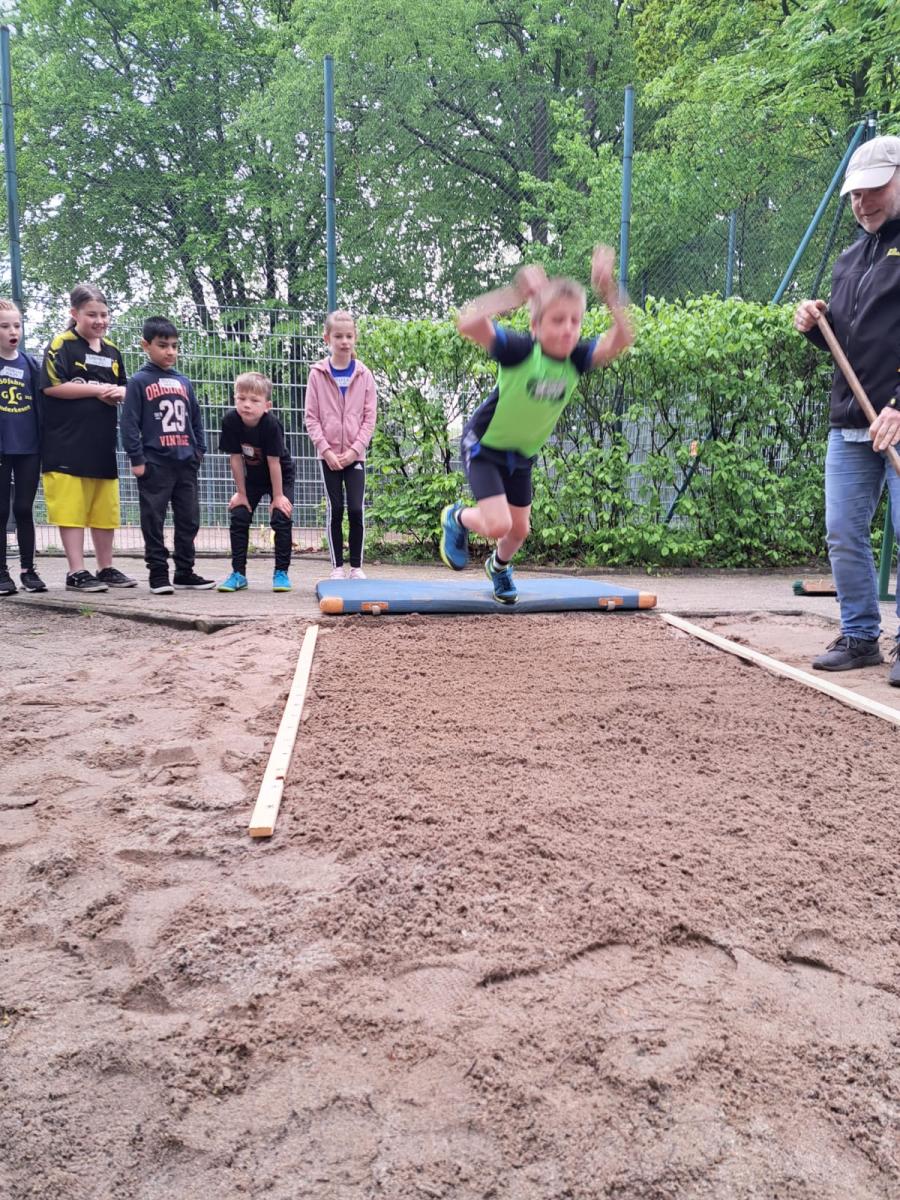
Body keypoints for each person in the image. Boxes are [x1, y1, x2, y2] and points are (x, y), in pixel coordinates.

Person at [440, 245, 633, 603]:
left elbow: (623, 338)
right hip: (485, 446)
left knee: (519, 531)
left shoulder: (577, 359)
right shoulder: (519, 350)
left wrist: (608, 291)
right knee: (498, 524)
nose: (568, 329)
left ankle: (498, 568)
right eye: (557, 320)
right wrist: (516, 295)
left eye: (574, 321)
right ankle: (457, 516)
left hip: (521, 455)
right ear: (535, 326)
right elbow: (467, 322)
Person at [794, 134, 900, 682]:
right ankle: (860, 637)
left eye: (874, 189)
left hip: (897, 419)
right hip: (852, 422)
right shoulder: (849, 258)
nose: (863, 203)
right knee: (842, 531)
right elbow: (851, 342)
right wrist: (817, 326)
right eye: (855, 194)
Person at [40, 283, 136, 592]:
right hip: (66, 444)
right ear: (75, 313)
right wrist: (96, 390)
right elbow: (52, 386)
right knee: (72, 509)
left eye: (104, 315)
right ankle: (76, 571)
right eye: (92, 314)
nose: (99, 321)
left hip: (102, 445)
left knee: (104, 510)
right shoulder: (62, 344)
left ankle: (105, 567)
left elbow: (125, 387)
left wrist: (120, 392)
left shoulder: (112, 351)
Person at [120, 316, 215, 594]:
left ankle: (184, 571)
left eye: (174, 346)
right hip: (155, 464)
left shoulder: (183, 381)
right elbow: (129, 424)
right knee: (154, 519)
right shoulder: (139, 381)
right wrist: (137, 459)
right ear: (146, 345)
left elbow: (195, 418)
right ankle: (158, 573)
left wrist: (199, 451)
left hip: (185, 462)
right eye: (163, 345)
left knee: (189, 519)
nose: (170, 351)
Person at [305, 309, 377, 580]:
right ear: (327, 338)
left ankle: (356, 567)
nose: (344, 341)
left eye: (349, 336)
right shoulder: (317, 374)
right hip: (329, 457)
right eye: (338, 336)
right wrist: (326, 451)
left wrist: (355, 451)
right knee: (335, 509)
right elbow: (311, 418)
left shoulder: (364, 375)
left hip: (355, 456)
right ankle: (337, 567)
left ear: (355, 337)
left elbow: (369, 418)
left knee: (356, 509)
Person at [217, 371, 294, 593]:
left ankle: (281, 573)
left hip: (279, 474)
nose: (247, 405)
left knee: (281, 516)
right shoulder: (231, 421)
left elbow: (274, 462)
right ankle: (238, 574)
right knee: (239, 514)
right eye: (241, 398)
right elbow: (235, 459)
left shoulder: (271, 425)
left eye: (254, 400)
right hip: (253, 478)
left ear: (267, 405)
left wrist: (278, 497)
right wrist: (241, 493)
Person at [0, 299, 46, 595]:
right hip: (2, 450)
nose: (12, 331)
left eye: (17, 325)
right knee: (1, 510)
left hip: (29, 448)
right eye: (5, 326)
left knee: (23, 508)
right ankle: (1, 572)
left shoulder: (30, 365)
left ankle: (29, 570)